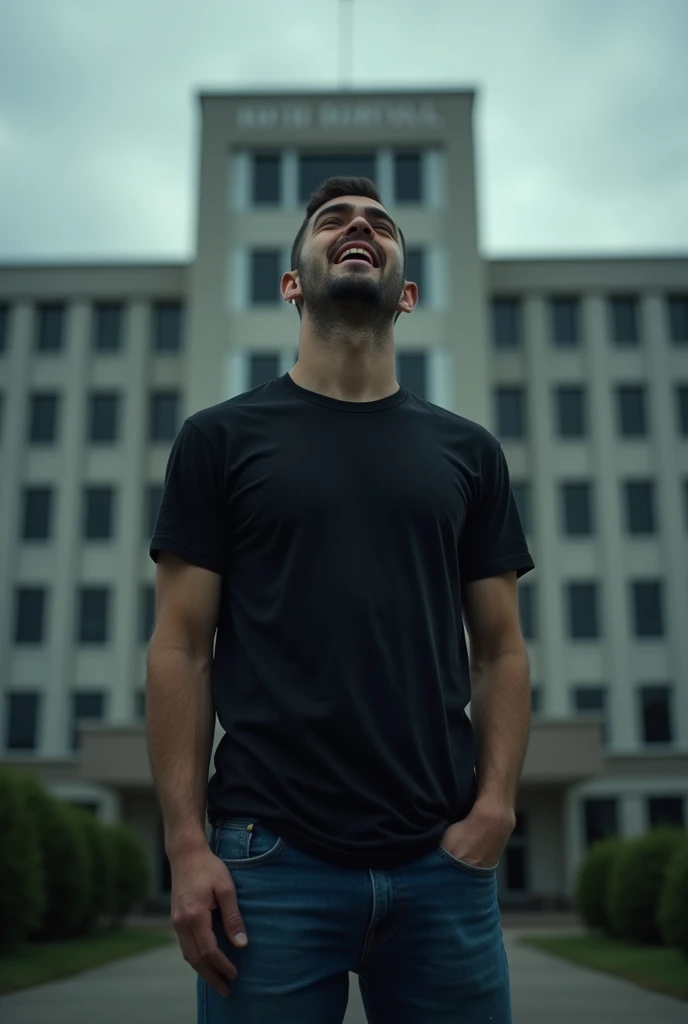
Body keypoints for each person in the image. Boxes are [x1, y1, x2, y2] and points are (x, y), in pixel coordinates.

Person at [147, 175, 534, 1024]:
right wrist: (185, 845)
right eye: (333, 221)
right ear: (292, 282)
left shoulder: (469, 454)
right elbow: (179, 646)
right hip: (268, 865)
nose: (358, 227)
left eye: (379, 225)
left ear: (408, 291)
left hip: (443, 866)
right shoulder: (218, 441)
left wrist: (496, 810)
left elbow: (501, 649)